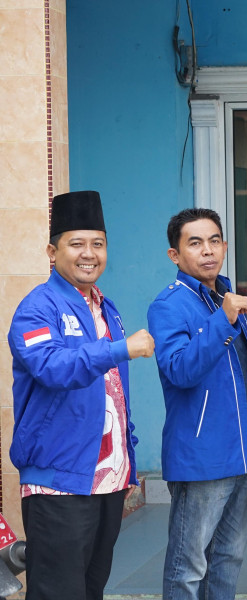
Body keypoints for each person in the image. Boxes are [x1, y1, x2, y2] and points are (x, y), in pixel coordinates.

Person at [7, 190, 155, 600]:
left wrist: (127, 458)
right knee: (58, 592)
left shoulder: (107, 308)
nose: (89, 254)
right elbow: (51, 367)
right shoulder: (37, 308)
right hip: (59, 482)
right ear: (52, 252)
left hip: (108, 480)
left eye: (98, 244)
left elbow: (113, 395)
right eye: (77, 244)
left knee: (91, 589)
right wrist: (119, 349)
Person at [147, 208, 247, 600]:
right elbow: (180, 370)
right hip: (201, 456)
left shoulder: (224, 299)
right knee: (188, 567)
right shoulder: (169, 305)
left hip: (242, 451)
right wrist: (224, 321)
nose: (208, 250)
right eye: (195, 243)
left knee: (228, 559)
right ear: (175, 255)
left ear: (225, 246)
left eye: (214, 241)